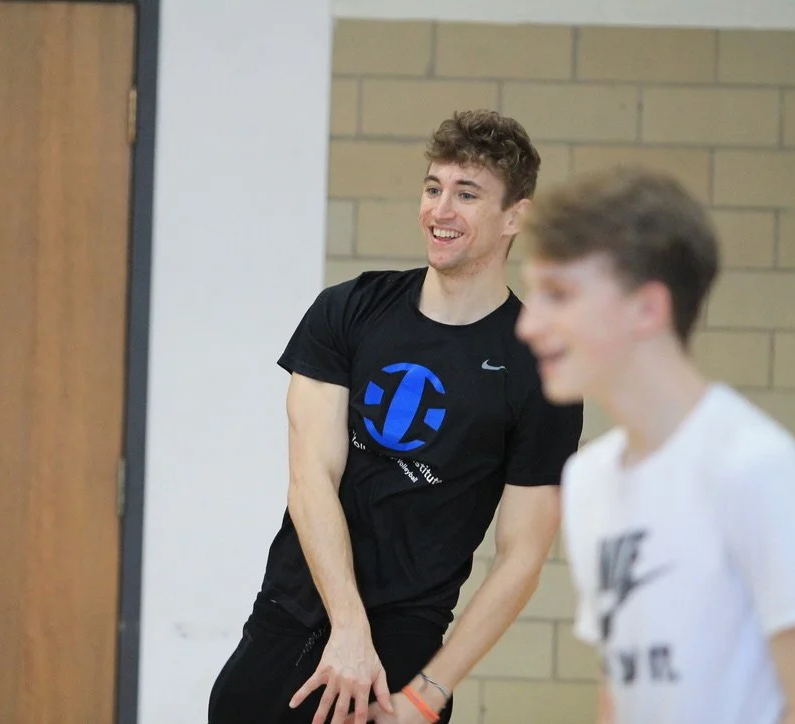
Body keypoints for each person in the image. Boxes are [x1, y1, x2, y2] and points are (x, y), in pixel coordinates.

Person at [207, 109, 584, 724]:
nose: (441, 210)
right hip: (289, 619)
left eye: (467, 195)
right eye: (433, 188)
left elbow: (522, 555)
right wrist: (348, 629)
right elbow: (311, 480)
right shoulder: (348, 310)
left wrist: (428, 693)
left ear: (514, 215)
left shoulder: (539, 369)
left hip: (403, 655)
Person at [515, 165, 795, 724]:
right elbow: (619, 687)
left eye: (558, 295)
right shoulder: (588, 478)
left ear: (648, 308)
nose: (528, 325)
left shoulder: (754, 466)